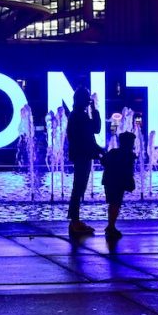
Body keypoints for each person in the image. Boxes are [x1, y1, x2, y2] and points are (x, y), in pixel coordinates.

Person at [66, 86, 103, 235]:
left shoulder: (79, 114)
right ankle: (74, 221)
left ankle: (75, 220)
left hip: (83, 154)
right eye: (87, 98)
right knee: (78, 187)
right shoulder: (78, 116)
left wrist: (93, 109)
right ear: (82, 99)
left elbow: (93, 131)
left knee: (79, 187)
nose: (89, 100)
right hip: (82, 155)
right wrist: (99, 150)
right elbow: (94, 131)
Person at [100, 131, 136, 239]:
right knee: (115, 204)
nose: (133, 145)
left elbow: (103, 161)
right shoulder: (128, 155)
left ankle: (111, 226)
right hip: (117, 183)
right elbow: (128, 171)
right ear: (128, 143)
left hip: (109, 181)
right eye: (132, 142)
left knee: (114, 204)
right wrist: (130, 182)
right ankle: (111, 226)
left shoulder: (113, 152)